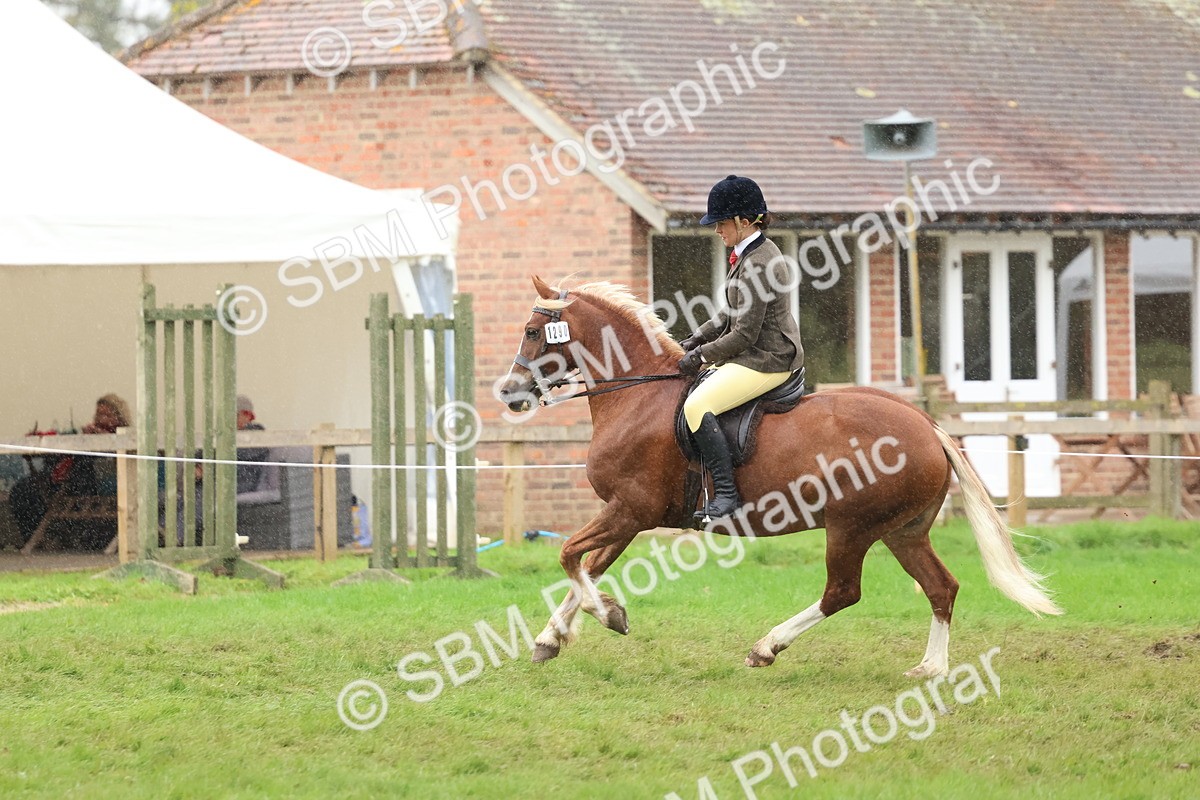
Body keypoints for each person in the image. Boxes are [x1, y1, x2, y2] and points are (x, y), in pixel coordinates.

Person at [677, 175, 804, 522]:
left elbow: (744, 335)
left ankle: (727, 496)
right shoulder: (748, 254)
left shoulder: (760, 263)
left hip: (767, 358)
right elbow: (728, 313)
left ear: (743, 222)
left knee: (698, 404)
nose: (717, 230)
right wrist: (695, 338)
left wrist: (701, 356)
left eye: (721, 223)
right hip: (751, 353)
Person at [9, 393, 131, 544]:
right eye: (99, 414)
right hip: (63, 481)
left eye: (106, 414)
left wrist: (99, 438)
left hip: (88, 485)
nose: (101, 419)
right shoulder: (85, 433)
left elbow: (112, 461)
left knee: (34, 489)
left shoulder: (126, 437)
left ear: (118, 417)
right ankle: (40, 540)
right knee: (22, 490)